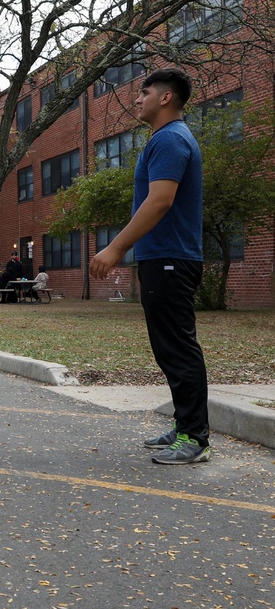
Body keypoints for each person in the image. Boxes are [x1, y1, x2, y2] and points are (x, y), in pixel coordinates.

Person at [91, 68, 209, 465]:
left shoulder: (172, 139)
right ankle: (184, 425)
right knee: (169, 349)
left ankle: (195, 437)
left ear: (165, 98)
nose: (136, 100)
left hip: (172, 259)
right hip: (164, 258)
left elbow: (159, 201)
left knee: (177, 349)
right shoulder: (165, 139)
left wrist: (115, 249)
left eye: (144, 92)